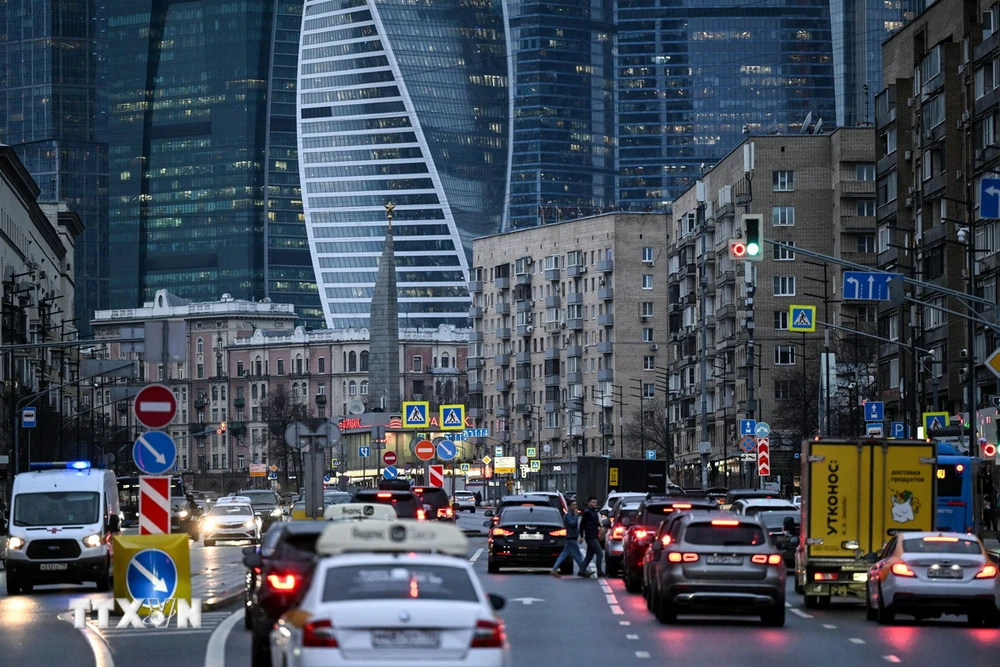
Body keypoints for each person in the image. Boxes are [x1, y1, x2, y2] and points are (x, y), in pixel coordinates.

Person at [550, 500, 586, 577]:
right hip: (570, 538)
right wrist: (576, 516)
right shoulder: (568, 515)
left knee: (564, 555)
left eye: (576, 505)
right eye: (573, 505)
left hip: (571, 537)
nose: (575, 506)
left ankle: (554, 569)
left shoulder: (571, 515)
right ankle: (583, 570)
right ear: (569, 506)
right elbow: (572, 524)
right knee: (577, 555)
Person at [579, 496, 605, 578]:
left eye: (595, 503)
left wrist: (599, 527)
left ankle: (582, 570)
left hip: (594, 535)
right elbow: (582, 525)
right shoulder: (587, 512)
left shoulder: (593, 512)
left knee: (589, 555)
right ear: (589, 503)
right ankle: (599, 572)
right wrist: (582, 535)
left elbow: (595, 523)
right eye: (593, 502)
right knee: (600, 553)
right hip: (590, 536)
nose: (595, 504)